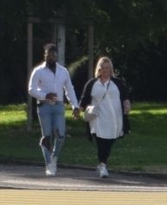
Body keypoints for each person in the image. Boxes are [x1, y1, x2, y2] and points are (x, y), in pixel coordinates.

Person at [27, 42, 74, 177]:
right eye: (48, 55)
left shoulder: (63, 71)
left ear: (56, 56)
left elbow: (69, 89)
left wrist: (74, 105)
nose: (51, 57)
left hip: (58, 105)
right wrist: (44, 96)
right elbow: (31, 89)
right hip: (44, 106)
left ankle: (55, 157)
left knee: (60, 135)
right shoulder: (39, 71)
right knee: (47, 135)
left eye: (53, 55)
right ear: (45, 55)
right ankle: (49, 164)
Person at [82, 55, 130, 179]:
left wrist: (127, 105)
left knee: (109, 141)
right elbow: (84, 99)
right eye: (102, 68)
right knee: (101, 141)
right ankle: (103, 165)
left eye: (107, 68)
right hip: (98, 118)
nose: (105, 70)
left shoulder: (117, 83)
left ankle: (102, 162)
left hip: (114, 118)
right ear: (98, 69)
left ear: (111, 69)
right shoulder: (92, 84)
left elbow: (125, 97)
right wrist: (78, 110)